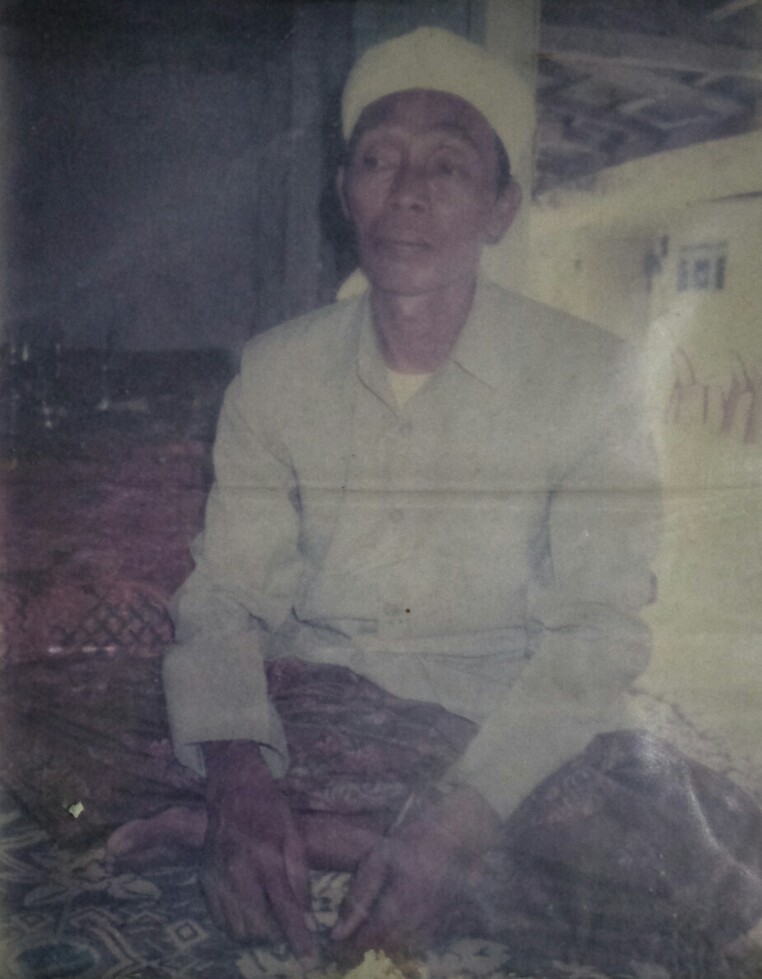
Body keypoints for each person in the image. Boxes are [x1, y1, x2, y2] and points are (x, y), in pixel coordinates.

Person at [108, 26, 762, 974]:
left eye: (448, 166)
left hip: (500, 723)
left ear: (502, 208)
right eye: (378, 160)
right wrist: (240, 777)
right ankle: (317, 826)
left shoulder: (591, 377)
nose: (407, 192)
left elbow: (597, 632)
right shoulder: (276, 371)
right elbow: (226, 593)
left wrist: (463, 817)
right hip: (319, 698)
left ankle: (332, 835)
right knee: (98, 725)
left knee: (703, 867)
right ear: (345, 192)